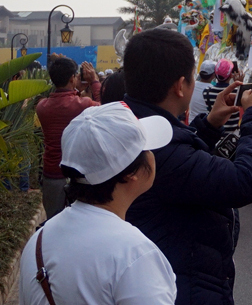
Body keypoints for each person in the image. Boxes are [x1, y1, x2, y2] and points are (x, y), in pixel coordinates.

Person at [122, 28, 252, 305]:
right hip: (185, 288)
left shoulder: (133, 125)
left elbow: (182, 162)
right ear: (180, 86)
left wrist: (208, 125)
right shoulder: (160, 151)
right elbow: (244, 181)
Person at [19, 102, 177, 304]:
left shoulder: (37, 241)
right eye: (146, 148)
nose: (153, 155)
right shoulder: (134, 256)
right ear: (130, 173)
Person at [36, 57, 100, 218]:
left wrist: (75, 89)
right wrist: (95, 82)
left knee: (53, 220)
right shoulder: (84, 104)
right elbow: (105, 110)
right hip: (79, 172)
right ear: (73, 78)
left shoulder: (42, 107)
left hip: (52, 172)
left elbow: (65, 102)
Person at [203, 59, 242, 135]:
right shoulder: (237, 92)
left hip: (214, 135)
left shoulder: (206, 92)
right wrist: (240, 85)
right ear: (231, 75)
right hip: (232, 137)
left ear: (215, 74)